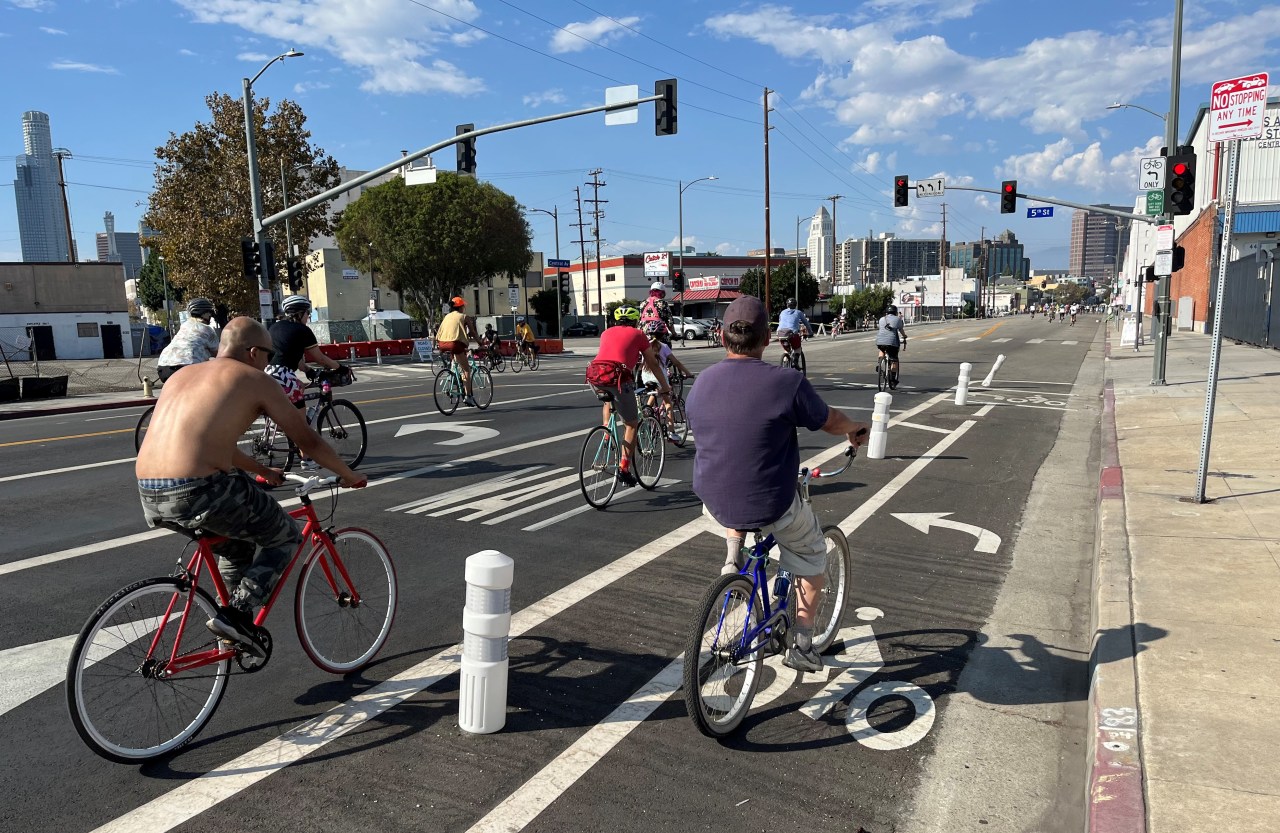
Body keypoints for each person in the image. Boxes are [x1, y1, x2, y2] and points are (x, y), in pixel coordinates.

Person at [136, 317, 367, 657]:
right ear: (254, 352)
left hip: (149, 490)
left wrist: (261, 469)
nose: (271, 363)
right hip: (199, 489)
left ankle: (233, 628)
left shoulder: (183, 374)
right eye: (269, 356)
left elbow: (208, 443)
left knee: (236, 547)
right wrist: (348, 475)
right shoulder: (254, 379)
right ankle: (236, 613)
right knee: (286, 534)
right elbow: (307, 441)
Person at [685, 296, 870, 672]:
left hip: (712, 502)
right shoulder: (787, 382)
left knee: (732, 484)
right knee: (813, 554)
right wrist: (853, 429)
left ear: (722, 338)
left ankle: (732, 557)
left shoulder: (702, 382)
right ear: (768, 338)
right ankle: (802, 642)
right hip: (772, 503)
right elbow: (827, 420)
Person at [585, 306, 670, 486]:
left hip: (596, 377)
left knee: (610, 402)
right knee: (631, 423)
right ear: (635, 321)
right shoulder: (638, 334)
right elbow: (653, 363)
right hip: (619, 378)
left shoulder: (606, 333)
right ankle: (624, 468)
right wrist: (665, 386)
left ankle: (606, 432)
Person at [639, 321, 693, 437]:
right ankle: (671, 431)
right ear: (663, 335)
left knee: (654, 393)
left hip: (645, 377)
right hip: (659, 377)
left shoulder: (645, 346)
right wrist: (688, 373)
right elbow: (676, 363)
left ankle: (647, 411)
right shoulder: (664, 347)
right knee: (668, 402)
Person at [155, 298, 220, 381]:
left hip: (163, 367)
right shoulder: (207, 329)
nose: (211, 315)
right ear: (204, 313)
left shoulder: (184, 326)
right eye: (209, 312)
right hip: (187, 367)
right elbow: (219, 353)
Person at [436, 296, 480, 407]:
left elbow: (439, 332)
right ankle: (468, 397)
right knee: (466, 370)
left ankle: (452, 377)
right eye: (463, 306)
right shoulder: (464, 317)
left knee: (455, 361)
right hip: (455, 344)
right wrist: (480, 343)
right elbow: (473, 333)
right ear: (460, 307)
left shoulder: (446, 317)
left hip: (442, 344)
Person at [875, 304, 907, 389]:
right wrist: (904, 336)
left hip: (880, 341)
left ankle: (880, 363)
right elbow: (901, 330)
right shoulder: (898, 319)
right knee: (894, 360)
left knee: (882, 348)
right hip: (892, 342)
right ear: (895, 312)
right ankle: (892, 379)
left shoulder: (882, 319)